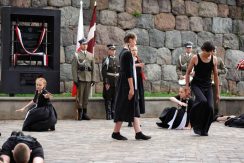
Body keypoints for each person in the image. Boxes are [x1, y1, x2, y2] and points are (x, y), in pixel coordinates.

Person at [111, 32, 151, 141]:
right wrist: (132, 89)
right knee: (124, 107)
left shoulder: (123, 52)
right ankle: (116, 132)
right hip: (127, 86)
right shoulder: (127, 53)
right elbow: (128, 73)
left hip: (124, 84)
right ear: (130, 40)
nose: (135, 42)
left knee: (132, 108)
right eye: (135, 40)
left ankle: (138, 132)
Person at [185, 41, 220, 136]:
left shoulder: (214, 59)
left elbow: (216, 76)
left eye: (212, 52)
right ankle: (193, 118)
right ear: (203, 50)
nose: (210, 54)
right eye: (208, 52)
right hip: (196, 85)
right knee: (202, 101)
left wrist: (217, 93)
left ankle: (204, 130)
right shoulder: (195, 58)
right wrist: (187, 87)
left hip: (207, 85)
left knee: (210, 108)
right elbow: (188, 73)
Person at [72, 38, 96, 121]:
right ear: (80, 45)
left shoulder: (90, 55)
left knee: (86, 96)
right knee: (80, 97)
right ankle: (80, 113)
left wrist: (93, 79)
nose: (85, 46)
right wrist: (75, 79)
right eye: (83, 44)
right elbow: (74, 68)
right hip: (81, 78)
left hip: (88, 78)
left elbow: (94, 68)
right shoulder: (77, 55)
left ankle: (85, 113)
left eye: (86, 44)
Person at [128, 46, 146, 127]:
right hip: (132, 82)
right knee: (132, 100)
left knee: (138, 100)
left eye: (135, 50)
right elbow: (128, 68)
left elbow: (141, 71)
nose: (134, 51)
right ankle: (130, 120)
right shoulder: (129, 60)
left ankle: (136, 120)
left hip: (138, 82)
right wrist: (137, 65)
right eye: (132, 50)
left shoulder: (139, 59)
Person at [101, 44, 119, 120]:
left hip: (116, 82)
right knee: (108, 98)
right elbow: (104, 72)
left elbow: (120, 71)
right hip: (109, 81)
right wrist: (106, 82)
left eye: (114, 50)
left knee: (115, 98)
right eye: (111, 50)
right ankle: (108, 114)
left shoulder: (118, 59)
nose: (113, 51)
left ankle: (113, 113)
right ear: (108, 51)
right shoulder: (106, 60)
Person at [212, 48, 227, 118]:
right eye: (212, 51)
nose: (213, 52)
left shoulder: (219, 60)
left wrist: (217, 71)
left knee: (217, 97)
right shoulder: (207, 59)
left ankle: (217, 113)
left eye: (214, 51)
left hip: (217, 81)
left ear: (216, 52)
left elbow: (224, 70)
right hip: (208, 82)